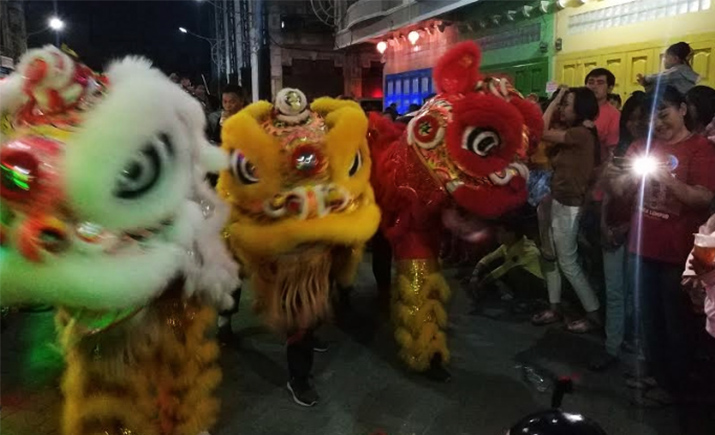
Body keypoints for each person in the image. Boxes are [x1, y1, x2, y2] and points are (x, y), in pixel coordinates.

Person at [605, 85, 715, 405]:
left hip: (678, 253)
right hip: (642, 248)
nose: (658, 122)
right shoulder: (641, 145)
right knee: (649, 319)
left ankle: (677, 388)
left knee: (676, 323)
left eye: (664, 113)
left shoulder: (701, 149)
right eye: (652, 116)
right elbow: (619, 189)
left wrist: (665, 179)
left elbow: (703, 197)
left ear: (683, 109)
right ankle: (659, 375)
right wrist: (620, 178)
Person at [532, 86, 602, 333]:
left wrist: (555, 98)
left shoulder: (581, 134)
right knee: (550, 257)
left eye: (567, 103)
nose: (563, 107)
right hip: (558, 202)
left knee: (568, 262)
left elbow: (538, 129)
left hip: (569, 206)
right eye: (563, 103)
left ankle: (593, 313)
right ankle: (555, 306)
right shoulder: (574, 133)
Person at [589, 91, 647, 371]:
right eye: (631, 118)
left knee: (634, 293)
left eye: (641, 118)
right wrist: (604, 224)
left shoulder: (657, 152)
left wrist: (628, 226)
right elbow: (609, 194)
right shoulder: (621, 150)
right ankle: (612, 346)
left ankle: (634, 347)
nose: (635, 123)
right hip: (613, 226)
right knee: (614, 290)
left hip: (640, 232)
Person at [468, 224, 543, 302]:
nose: (497, 235)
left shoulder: (528, 250)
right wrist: (475, 275)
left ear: (511, 234)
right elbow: (488, 258)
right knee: (492, 264)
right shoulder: (507, 245)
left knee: (515, 271)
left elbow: (504, 269)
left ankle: (526, 300)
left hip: (537, 284)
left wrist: (482, 283)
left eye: (501, 232)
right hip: (522, 278)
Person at [585, 68, 621, 162]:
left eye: (600, 83)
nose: (594, 86)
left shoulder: (614, 115)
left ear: (610, 88)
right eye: (591, 82)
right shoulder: (577, 108)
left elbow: (612, 150)